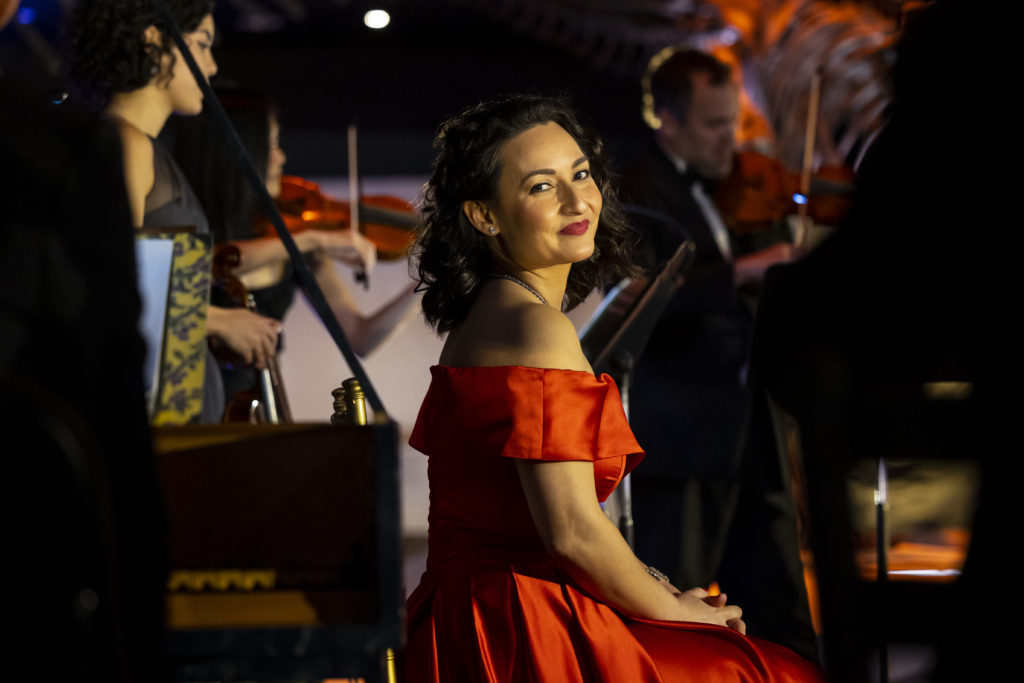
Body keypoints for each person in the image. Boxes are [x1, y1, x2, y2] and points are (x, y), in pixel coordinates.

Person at [405, 94, 822, 681]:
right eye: (542, 186)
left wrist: (664, 589)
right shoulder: (536, 328)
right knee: (772, 672)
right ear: (484, 215)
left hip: (474, 609)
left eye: (580, 174)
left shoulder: (489, 315)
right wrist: (681, 613)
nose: (578, 200)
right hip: (523, 621)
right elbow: (573, 534)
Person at [618, 47, 798, 594]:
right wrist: (744, 270)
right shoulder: (634, 190)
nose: (731, 140)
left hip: (752, 429)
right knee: (679, 596)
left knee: (780, 603)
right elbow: (641, 299)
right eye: (715, 125)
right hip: (682, 439)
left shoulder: (739, 184)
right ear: (667, 121)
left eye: (733, 122)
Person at [64, 0, 280, 423]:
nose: (212, 66)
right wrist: (216, 321)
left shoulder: (145, 148)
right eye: (202, 44)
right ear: (154, 41)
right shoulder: (127, 144)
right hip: (157, 424)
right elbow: (105, 285)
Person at [162, 87, 419, 401]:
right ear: (238, 149)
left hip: (261, 402)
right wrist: (311, 238)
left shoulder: (301, 246)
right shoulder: (190, 220)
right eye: (271, 143)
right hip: (189, 396)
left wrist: (424, 284)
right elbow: (211, 262)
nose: (281, 156)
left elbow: (360, 337)